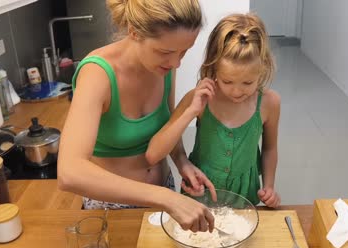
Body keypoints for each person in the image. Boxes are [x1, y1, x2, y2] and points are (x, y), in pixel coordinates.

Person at [58, 0, 217, 233]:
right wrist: (166, 198)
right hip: (111, 209)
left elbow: (168, 123)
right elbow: (69, 172)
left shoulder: (165, 67)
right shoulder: (98, 74)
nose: (176, 63)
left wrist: (182, 161)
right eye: (165, 52)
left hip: (163, 194)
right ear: (134, 32)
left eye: (185, 51)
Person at [146, 13, 281, 208]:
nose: (236, 91)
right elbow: (154, 153)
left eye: (248, 82)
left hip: (244, 198)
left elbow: (269, 149)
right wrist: (191, 112)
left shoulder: (270, 103)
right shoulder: (199, 98)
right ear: (213, 67)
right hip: (199, 194)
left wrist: (269, 186)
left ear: (263, 69)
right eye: (227, 81)